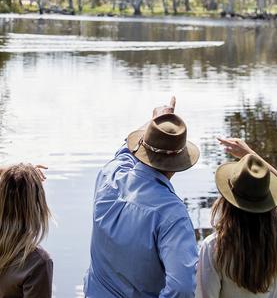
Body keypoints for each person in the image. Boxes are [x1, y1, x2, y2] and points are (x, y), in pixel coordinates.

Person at [84, 97, 201, 298]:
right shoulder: (173, 215)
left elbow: (125, 151)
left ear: (142, 146)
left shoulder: (110, 175)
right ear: (178, 163)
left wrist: (155, 121)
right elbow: (181, 289)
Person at [196, 138, 277, 298]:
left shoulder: (214, 247)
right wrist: (251, 156)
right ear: (266, 200)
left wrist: (248, 157)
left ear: (228, 201)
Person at [0, 163, 53, 298]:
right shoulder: (37, 262)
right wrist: (22, 173)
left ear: (0, 197)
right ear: (36, 205)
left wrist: (12, 172)